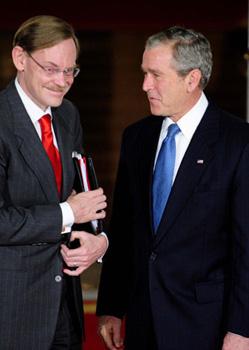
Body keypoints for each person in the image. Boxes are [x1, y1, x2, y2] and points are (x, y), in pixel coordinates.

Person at [96, 26, 249, 350]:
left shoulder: (238, 143)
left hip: (207, 328)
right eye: (144, 73)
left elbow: (246, 247)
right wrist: (111, 306)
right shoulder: (136, 137)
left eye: (155, 75)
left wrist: (242, 329)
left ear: (191, 79)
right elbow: (124, 228)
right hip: (141, 322)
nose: (144, 85)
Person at [0, 15, 108, 350]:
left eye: (70, 70)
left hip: (66, 306)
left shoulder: (68, 115)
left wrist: (97, 239)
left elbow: (78, 194)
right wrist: (67, 212)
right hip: (12, 311)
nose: (62, 81)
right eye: (50, 68)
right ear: (20, 59)